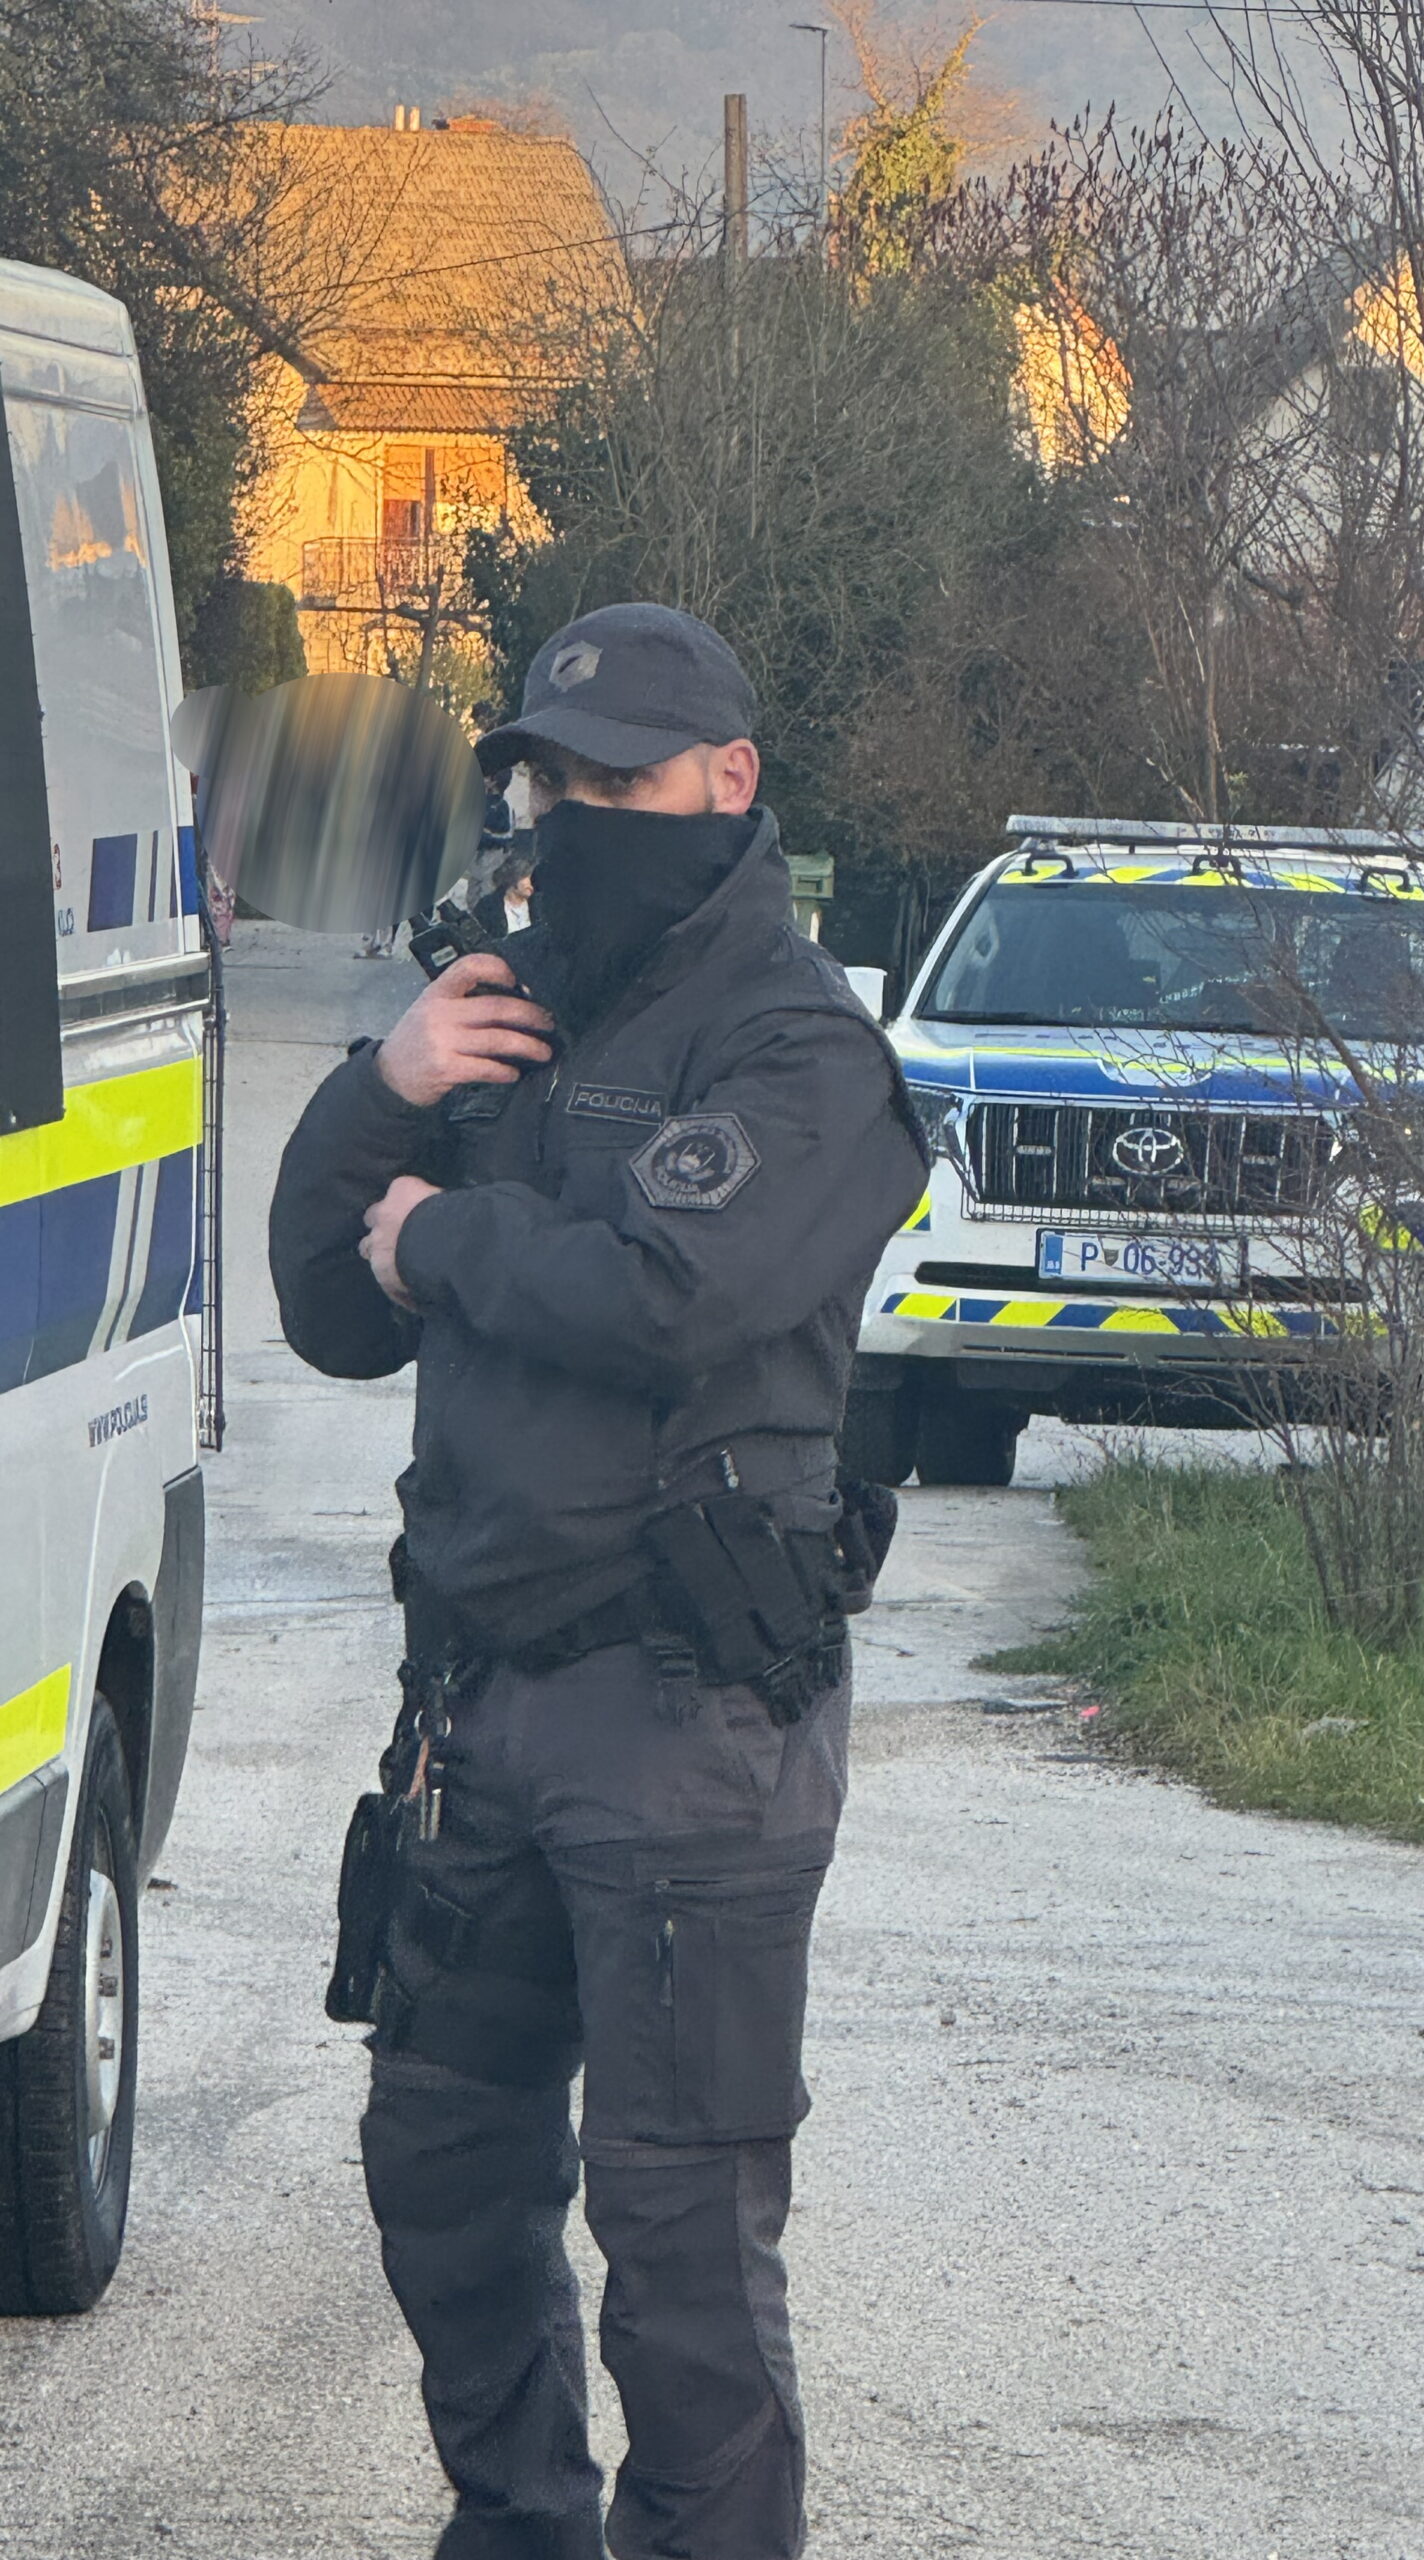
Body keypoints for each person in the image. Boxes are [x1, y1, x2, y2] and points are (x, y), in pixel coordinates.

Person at [269, 602, 928, 2560]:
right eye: (553, 779)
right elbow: (324, 1304)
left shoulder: (802, 1051)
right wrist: (384, 1087)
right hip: (476, 1708)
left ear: (730, 780)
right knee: (443, 2169)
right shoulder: (498, 1007)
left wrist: (440, 1234)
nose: (578, 816)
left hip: (685, 1722)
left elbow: (667, 1294)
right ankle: (520, 2527)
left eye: (622, 781)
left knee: (682, 2245)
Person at [471, 843, 536, 937]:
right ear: (513, 879)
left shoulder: (539, 906)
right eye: (527, 877)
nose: (532, 882)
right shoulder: (487, 908)